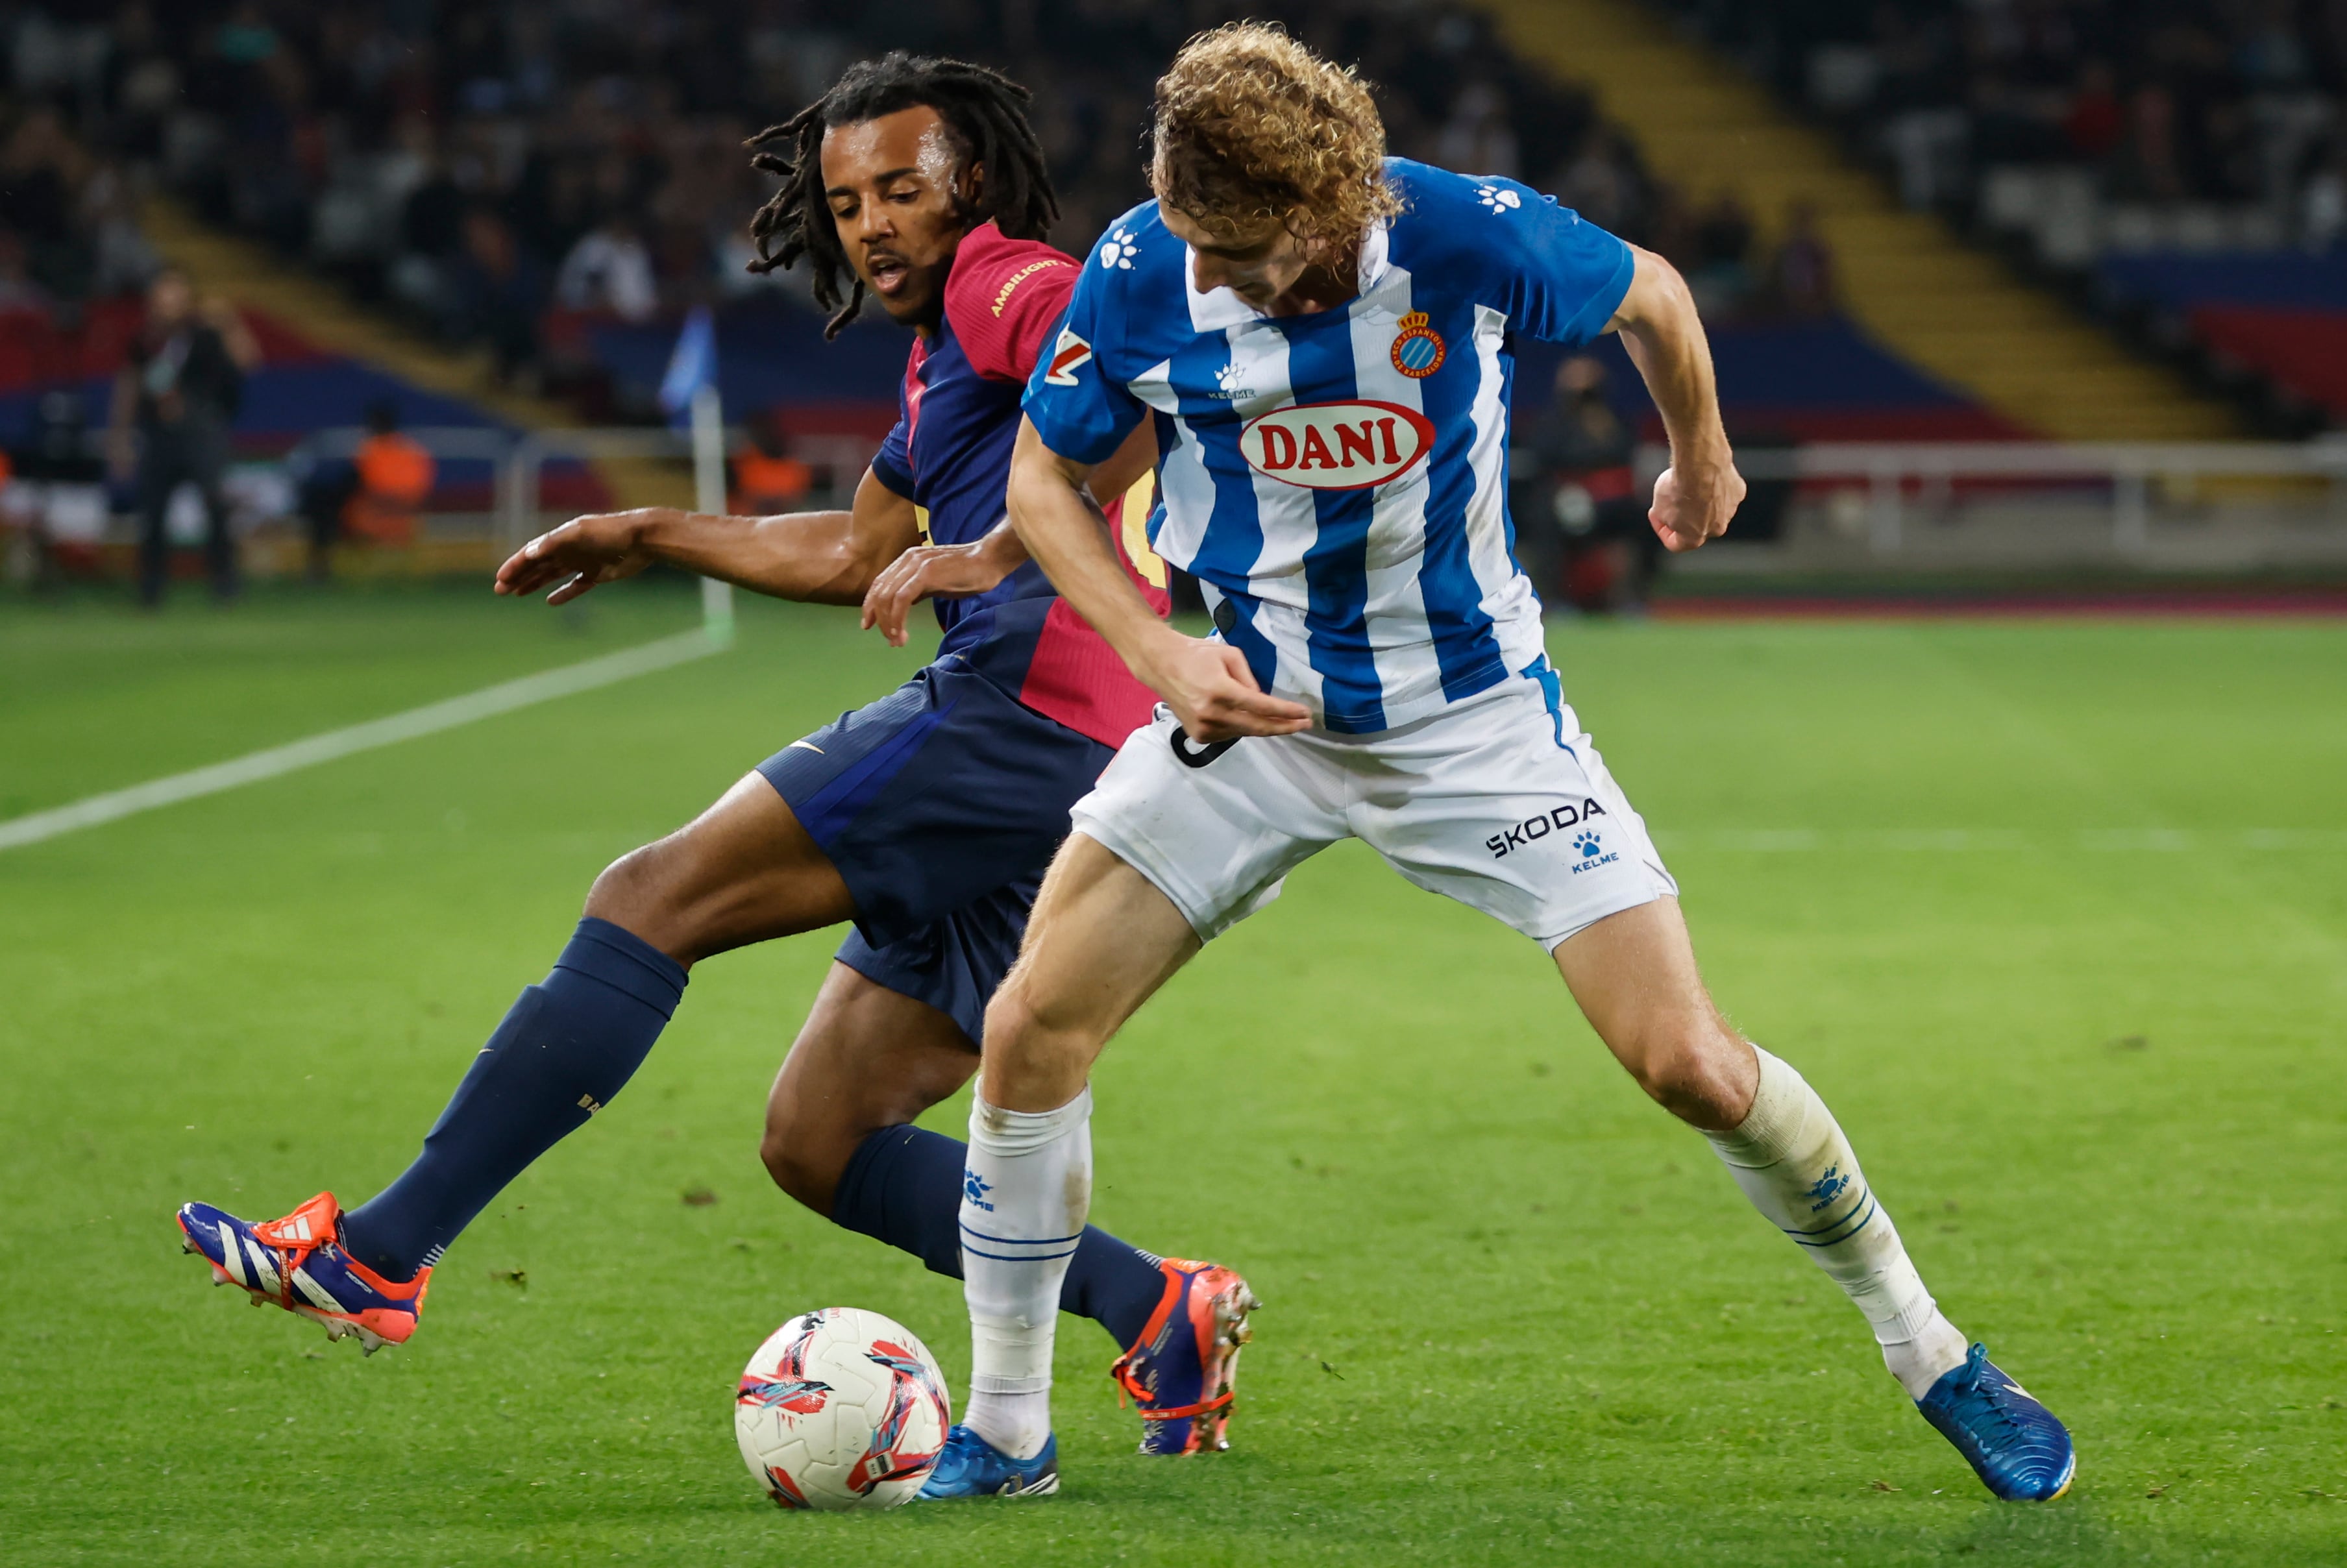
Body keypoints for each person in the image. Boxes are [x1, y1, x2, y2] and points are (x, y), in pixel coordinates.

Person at [919, 23, 2076, 1504]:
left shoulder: (1458, 234)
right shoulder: (1145, 270)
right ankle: (1009, 1431)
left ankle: (1931, 1353)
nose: (1218, 278)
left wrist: (1699, 454)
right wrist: (1155, 654)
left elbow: (1652, 296)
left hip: (1475, 723)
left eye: (1247, 252)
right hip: (1251, 722)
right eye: (1202, 244)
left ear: (1333, 211)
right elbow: (1042, 478)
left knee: (1690, 1065)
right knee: (1027, 1032)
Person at [176, 53, 1257, 1463]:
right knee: (822, 1133)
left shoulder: (1007, 286)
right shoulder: (944, 366)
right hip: (1070, 757)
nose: (870, 222)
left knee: (649, 896)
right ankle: (1154, 1304)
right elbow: (852, 546)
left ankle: (379, 1251)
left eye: (899, 189)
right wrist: (646, 532)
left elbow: (1134, 387)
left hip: (1016, 709)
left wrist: (996, 549)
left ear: (969, 183)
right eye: (847, 197)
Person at [107, 265, 259, 606]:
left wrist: (230, 322)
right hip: (159, 436)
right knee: (153, 513)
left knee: (215, 506)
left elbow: (249, 361)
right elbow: (128, 386)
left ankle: (225, 583)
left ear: (188, 297)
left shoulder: (204, 334)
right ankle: (151, 589)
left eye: (174, 292)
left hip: (203, 434)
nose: (166, 300)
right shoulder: (146, 340)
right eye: (161, 293)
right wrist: (119, 436)